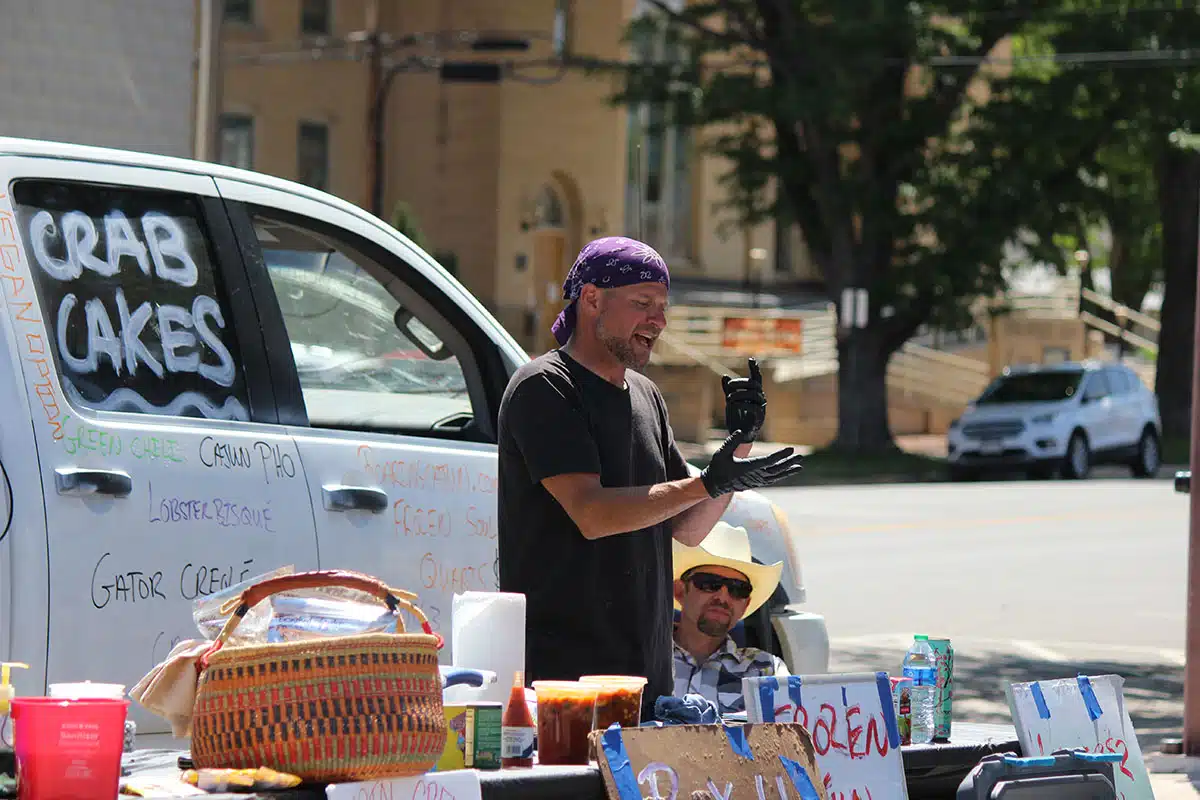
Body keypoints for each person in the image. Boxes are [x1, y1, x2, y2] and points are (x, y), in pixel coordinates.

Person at [496, 235, 804, 719]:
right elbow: (592, 513)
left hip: (646, 679)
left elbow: (686, 526)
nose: (658, 321)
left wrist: (738, 446)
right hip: (565, 680)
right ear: (592, 298)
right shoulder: (546, 386)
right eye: (643, 304)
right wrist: (706, 482)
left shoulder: (646, 395)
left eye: (663, 308)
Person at [672, 521, 790, 716]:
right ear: (679, 591)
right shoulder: (641, 660)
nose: (723, 597)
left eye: (737, 589)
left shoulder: (766, 670)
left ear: (745, 605)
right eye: (709, 583)